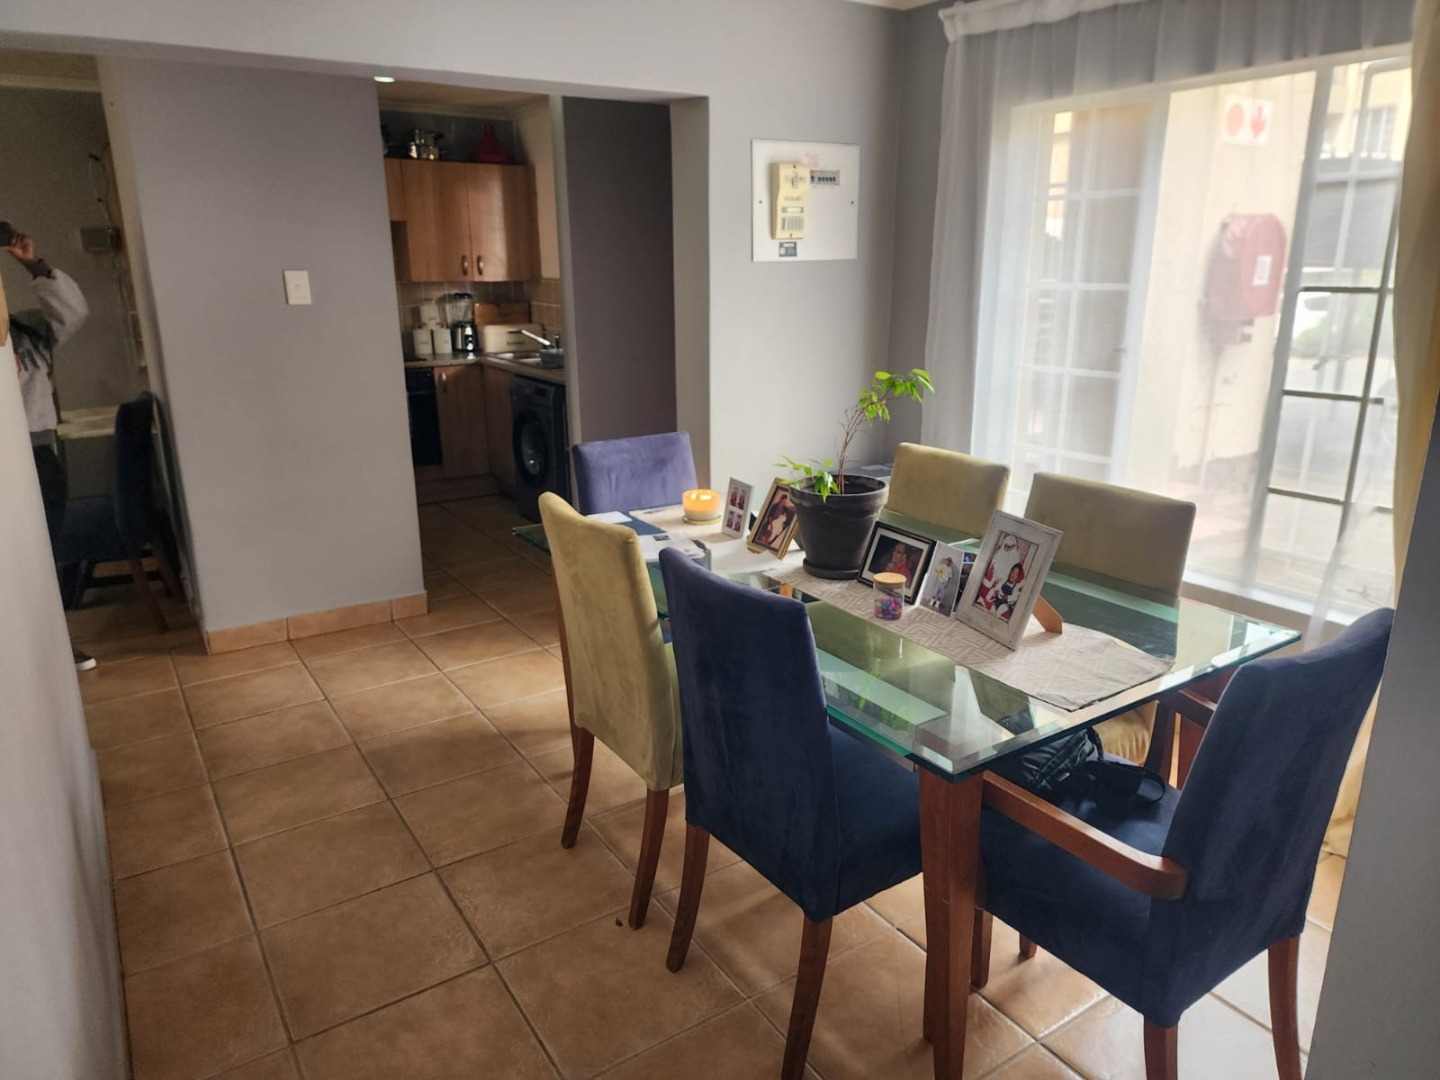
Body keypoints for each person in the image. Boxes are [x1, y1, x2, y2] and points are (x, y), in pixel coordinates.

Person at [6, 225, 95, 670]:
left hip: (37, 454)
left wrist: (32, 264)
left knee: (43, 558)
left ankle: (53, 650)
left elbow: (73, 313)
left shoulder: (24, 330)